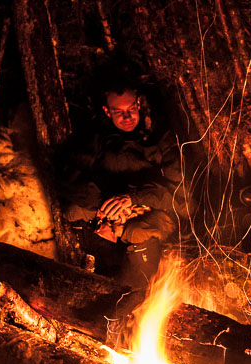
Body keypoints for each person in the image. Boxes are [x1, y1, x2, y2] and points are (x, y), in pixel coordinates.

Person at [58, 72, 191, 288]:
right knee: (75, 212)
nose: (127, 118)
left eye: (130, 109)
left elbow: (183, 198)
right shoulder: (96, 138)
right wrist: (103, 203)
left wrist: (133, 199)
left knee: (139, 238)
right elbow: (67, 176)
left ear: (138, 103)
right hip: (105, 211)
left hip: (147, 212)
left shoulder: (160, 138)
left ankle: (142, 294)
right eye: (118, 112)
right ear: (107, 111)